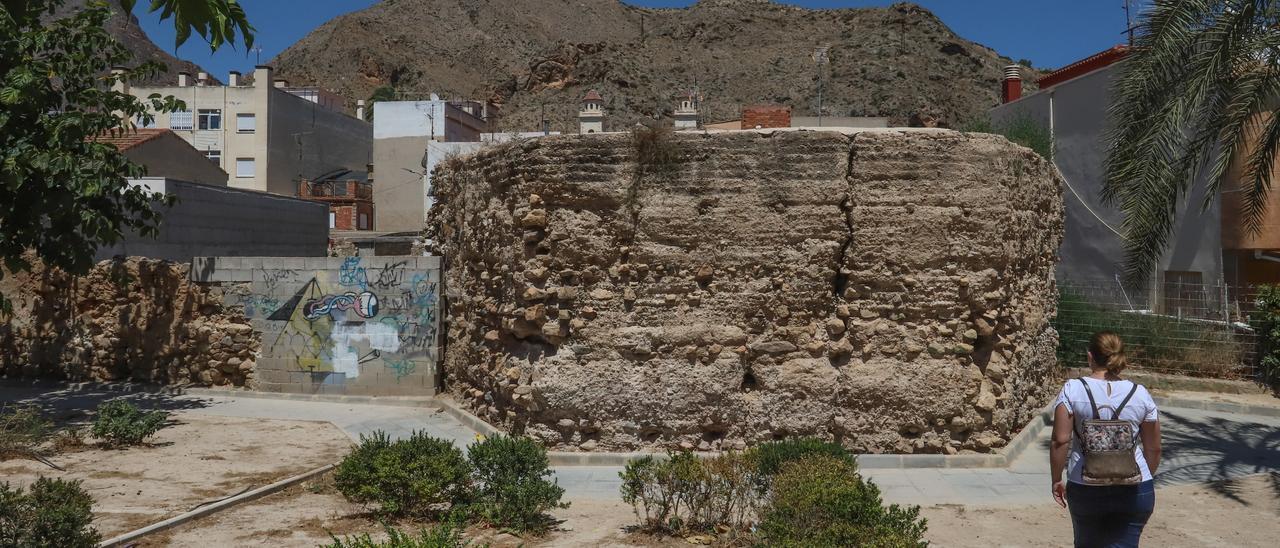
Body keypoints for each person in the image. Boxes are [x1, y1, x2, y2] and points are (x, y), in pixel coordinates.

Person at [1050, 331, 1161, 547]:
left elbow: (1060, 440)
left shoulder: (1073, 389)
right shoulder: (1140, 394)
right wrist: (1144, 475)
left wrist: (1056, 479)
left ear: (1090, 356)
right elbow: (1154, 448)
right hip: (1135, 487)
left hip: (1085, 484)